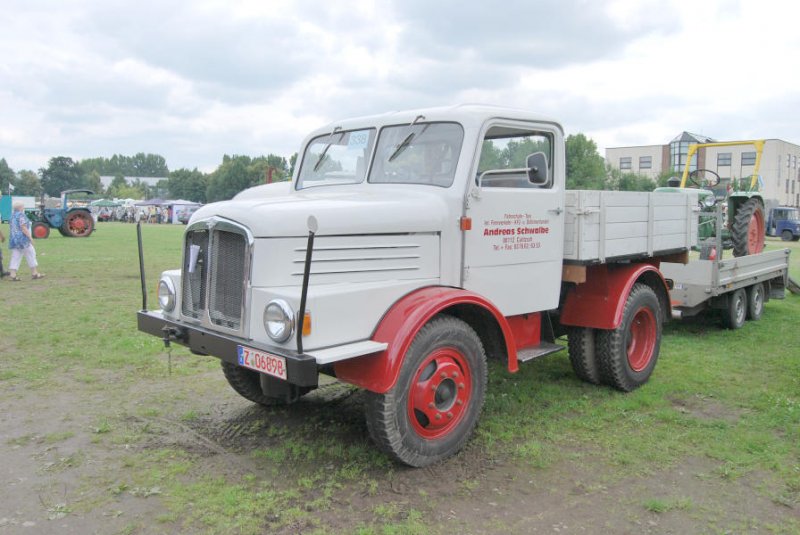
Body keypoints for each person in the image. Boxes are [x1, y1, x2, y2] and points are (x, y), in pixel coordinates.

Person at [7, 201, 44, 281]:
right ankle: (34, 273)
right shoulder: (21, 215)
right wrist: (30, 238)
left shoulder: (12, 215)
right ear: (20, 208)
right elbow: (23, 227)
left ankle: (12, 274)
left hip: (14, 239)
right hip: (23, 239)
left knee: (16, 256)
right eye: (23, 206)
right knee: (31, 253)